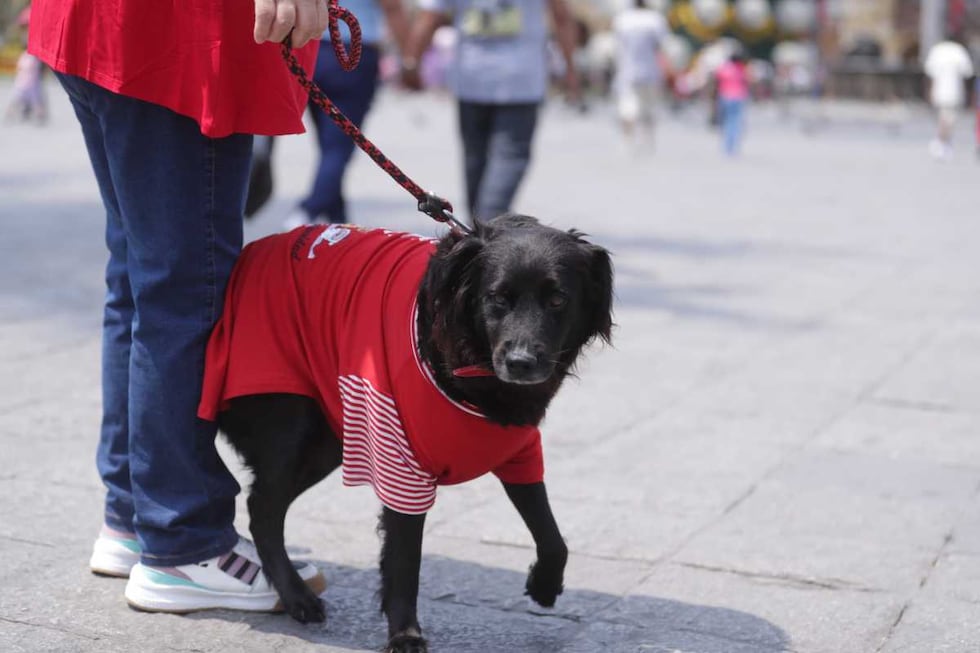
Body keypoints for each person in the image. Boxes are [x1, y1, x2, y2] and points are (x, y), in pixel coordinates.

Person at [28, 0, 329, 613]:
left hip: (106, 24)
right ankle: (183, 542)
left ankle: (136, 517)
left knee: (143, 278)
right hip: (178, 37)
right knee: (184, 290)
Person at [402, 0, 580, 223]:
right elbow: (562, 17)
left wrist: (411, 62)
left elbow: (430, 17)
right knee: (509, 157)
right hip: (520, 81)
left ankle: (480, 226)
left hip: (474, 79)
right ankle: (487, 223)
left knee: (475, 160)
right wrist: (570, 69)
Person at [281, 0, 411, 229]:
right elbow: (392, 7)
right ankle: (308, 210)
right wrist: (410, 59)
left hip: (311, 48)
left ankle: (338, 221)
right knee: (337, 148)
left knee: (329, 145)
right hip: (352, 50)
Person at [611, 0, 670, 150]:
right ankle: (647, 140)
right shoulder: (655, 19)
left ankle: (627, 141)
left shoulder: (623, 19)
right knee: (648, 108)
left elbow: (617, 45)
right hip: (650, 70)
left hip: (627, 70)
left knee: (628, 108)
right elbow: (662, 45)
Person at [923, 37, 974, 160]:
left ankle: (942, 141)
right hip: (955, 90)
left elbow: (930, 73)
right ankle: (942, 141)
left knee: (943, 117)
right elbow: (968, 73)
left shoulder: (937, 50)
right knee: (949, 118)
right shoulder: (959, 51)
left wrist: (928, 92)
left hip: (939, 90)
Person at [714, 50, 750, 156]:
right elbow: (746, 82)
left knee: (725, 121)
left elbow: (717, 81)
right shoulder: (741, 69)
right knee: (735, 122)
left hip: (725, 97)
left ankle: (727, 145)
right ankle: (733, 146)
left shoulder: (724, 68)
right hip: (739, 97)